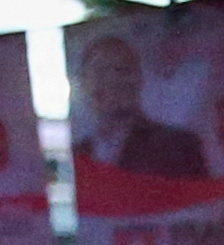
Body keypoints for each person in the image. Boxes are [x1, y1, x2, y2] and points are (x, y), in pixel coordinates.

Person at [72, 30, 210, 181]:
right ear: (83, 83)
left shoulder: (178, 146)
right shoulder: (77, 155)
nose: (113, 80)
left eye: (122, 69)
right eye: (100, 71)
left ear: (139, 78)